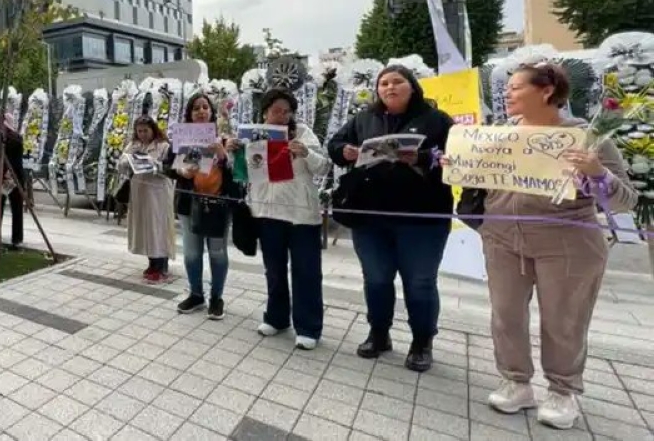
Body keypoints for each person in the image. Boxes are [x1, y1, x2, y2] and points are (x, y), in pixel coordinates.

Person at [477, 62, 637, 429]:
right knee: (506, 315)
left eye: (516, 87)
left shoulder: (587, 137)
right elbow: (485, 182)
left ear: (546, 91)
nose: (507, 93)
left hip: (567, 242)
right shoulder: (501, 134)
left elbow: (625, 200)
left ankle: (563, 390)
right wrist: (463, 166)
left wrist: (598, 173)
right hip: (502, 239)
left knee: (564, 319)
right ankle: (516, 381)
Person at [327, 65, 455, 372]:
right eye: (383, 83)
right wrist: (343, 151)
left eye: (397, 81)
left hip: (422, 216)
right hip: (370, 216)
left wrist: (422, 158)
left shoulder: (436, 120)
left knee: (420, 282)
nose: (389, 87)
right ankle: (379, 333)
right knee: (376, 279)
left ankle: (422, 341)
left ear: (413, 86)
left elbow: (457, 158)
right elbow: (334, 145)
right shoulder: (363, 118)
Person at [250, 88, 329, 350]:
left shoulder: (303, 133)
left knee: (306, 271)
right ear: (265, 113)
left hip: (301, 214)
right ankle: (276, 317)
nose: (282, 115)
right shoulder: (254, 134)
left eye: (287, 111)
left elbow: (323, 167)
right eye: (276, 111)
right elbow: (244, 171)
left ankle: (308, 326)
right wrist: (234, 150)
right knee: (274, 269)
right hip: (268, 211)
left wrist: (305, 152)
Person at [167, 94, 236, 320]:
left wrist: (221, 152)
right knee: (192, 253)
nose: (201, 111)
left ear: (211, 112)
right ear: (189, 113)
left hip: (218, 204)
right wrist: (180, 171)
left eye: (205, 107)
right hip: (190, 203)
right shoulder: (181, 137)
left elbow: (237, 171)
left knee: (217, 252)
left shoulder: (224, 136)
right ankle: (196, 294)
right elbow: (169, 165)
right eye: (196, 108)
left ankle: (217, 297)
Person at [118, 116, 174, 282]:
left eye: (145, 130)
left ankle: (162, 265)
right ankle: (151, 262)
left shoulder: (164, 146)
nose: (142, 134)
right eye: (139, 131)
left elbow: (171, 169)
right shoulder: (133, 145)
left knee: (158, 227)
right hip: (140, 192)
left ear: (153, 129)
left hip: (158, 193)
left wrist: (153, 163)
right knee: (145, 228)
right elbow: (120, 164)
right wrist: (128, 161)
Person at [0, 113, 25, 247]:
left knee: (16, 209)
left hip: (15, 178)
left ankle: (17, 238)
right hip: (2, 177)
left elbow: (16, 162)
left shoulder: (15, 140)